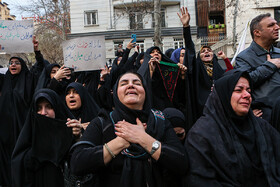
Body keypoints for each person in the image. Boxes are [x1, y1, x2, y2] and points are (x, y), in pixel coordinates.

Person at [70, 72, 188, 187]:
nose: (131, 85)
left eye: (137, 83)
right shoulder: (103, 122)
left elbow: (181, 163)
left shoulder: (160, 121)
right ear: (115, 93)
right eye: (124, 83)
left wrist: (143, 139)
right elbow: (77, 163)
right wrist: (120, 142)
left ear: (145, 91)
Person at [185, 70, 280, 186]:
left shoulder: (262, 126)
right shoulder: (200, 135)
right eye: (239, 90)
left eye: (249, 91)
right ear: (224, 94)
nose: (247, 95)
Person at [11, 88, 83, 187]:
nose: (43, 112)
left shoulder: (68, 131)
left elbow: (80, 163)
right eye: (39, 108)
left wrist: (77, 138)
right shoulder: (28, 135)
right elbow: (18, 166)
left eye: (49, 107)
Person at [0, 37, 46, 186]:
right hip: (4, 133)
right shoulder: (3, 80)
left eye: (17, 62)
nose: (13, 65)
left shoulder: (28, 79)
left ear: (23, 65)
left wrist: (36, 50)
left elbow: (41, 67)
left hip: (22, 130)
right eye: (11, 63)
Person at [177, 7, 225, 126]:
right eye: (203, 52)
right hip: (201, 113)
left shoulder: (219, 69)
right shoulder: (197, 67)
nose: (206, 52)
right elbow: (190, 50)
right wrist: (186, 27)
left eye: (209, 50)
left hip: (221, 112)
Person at [235, 13, 280, 122]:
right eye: (271, 25)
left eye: (276, 24)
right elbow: (244, 83)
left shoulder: (279, 53)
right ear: (257, 33)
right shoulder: (243, 58)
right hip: (266, 117)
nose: (277, 27)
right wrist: (269, 66)